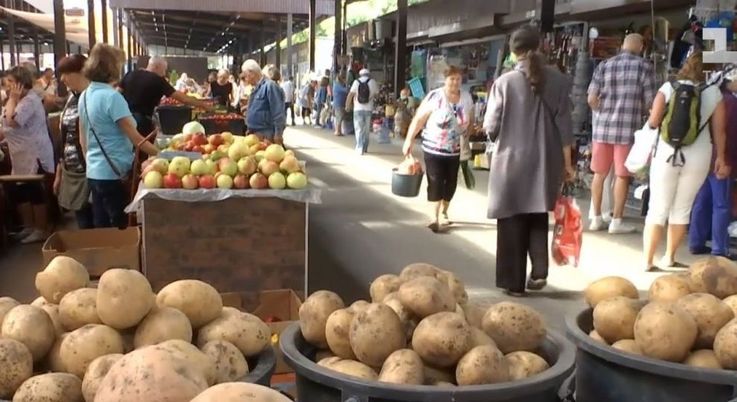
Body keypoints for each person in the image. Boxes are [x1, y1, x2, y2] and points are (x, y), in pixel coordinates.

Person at [483, 26, 575, 296]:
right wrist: (567, 165)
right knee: (536, 212)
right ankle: (539, 270)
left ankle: (514, 283)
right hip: (546, 160)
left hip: (511, 161)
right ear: (541, 46)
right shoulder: (559, 81)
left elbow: (491, 125)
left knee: (512, 218)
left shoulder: (505, 82)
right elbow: (565, 127)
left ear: (513, 51)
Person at [643, 52, 729, 271]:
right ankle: (669, 257)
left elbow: (653, 122)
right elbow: (720, 131)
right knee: (682, 209)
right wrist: (720, 158)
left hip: (666, 152)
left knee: (657, 208)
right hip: (698, 155)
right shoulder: (714, 93)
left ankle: (648, 261)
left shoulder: (668, 87)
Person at [78, 44, 159, 229]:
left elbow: (83, 139)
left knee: (102, 225)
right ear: (112, 67)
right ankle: (120, 257)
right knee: (120, 225)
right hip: (114, 173)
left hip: (94, 172)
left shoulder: (84, 96)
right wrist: (163, 153)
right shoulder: (112, 97)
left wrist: (92, 165)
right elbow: (137, 139)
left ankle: (105, 256)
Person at [587, 33, 656, 234]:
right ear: (641, 47)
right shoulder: (645, 67)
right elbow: (651, 103)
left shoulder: (604, 65)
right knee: (622, 176)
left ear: (623, 46)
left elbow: (591, 99)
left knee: (599, 174)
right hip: (627, 130)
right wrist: (638, 109)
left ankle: (596, 219)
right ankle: (616, 221)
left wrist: (604, 111)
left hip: (602, 130)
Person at [402, 66, 475, 232]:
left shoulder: (466, 97)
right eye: (452, 79)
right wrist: (409, 140)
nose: (455, 82)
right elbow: (419, 119)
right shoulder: (435, 96)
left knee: (451, 183)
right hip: (433, 147)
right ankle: (433, 217)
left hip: (455, 149)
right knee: (435, 180)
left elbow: (470, 120)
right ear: (445, 80)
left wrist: (467, 138)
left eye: (458, 79)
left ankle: (444, 211)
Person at [0, 66, 55, 243]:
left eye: (10, 82)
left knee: (34, 191)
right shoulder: (18, 100)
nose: (6, 86)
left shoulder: (30, 101)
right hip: (20, 154)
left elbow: (12, 121)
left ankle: (40, 228)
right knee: (21, 190)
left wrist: (12, 98)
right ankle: (28, 226)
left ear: (20, 83)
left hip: (34, 154)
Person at [689, 70, 737, 259]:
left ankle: (696, 242)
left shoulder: (709, 96)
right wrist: (726, 160)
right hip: (721, 158)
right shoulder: (731, 102)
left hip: (703, 156)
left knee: (702, 200)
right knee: (721, 204)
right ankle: (720, 248)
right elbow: (729, 135)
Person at [119, 57, 211, 135]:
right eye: (164, 70)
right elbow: (183, 99)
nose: (164, 73)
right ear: (156, 67)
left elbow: (118, 92)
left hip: (123, 119)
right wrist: (202, 105)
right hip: (142, 121)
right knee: (142, 149)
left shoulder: (130, 74)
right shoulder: (158, 80)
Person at [53, 55, 93, 229]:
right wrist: (59, 173)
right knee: (83, 222)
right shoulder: (71, 98)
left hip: (92, 172)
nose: (62, 79)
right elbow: (64, 137)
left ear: (81, 72)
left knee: (95, 224)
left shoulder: (93, 97)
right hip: (73, 172)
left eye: (65, 73)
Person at [242, 59, 286, 144]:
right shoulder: (255, 89)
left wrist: (278, 134)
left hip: (267, 135)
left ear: (252, 73)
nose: (246, 79)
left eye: (246, 75)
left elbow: (278, 112)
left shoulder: (270, 86)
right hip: (255, 134)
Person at [347, 68, 379, 155]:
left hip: (358, 108)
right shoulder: (373, 82)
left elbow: (350, 94)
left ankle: (359, 147)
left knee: (358, 128)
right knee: (367, 129)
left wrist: (347, 105)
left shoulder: (356, 82)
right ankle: (365, 147)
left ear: (360, 74)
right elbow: (377, 94)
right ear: (368, 74)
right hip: (368, 109)